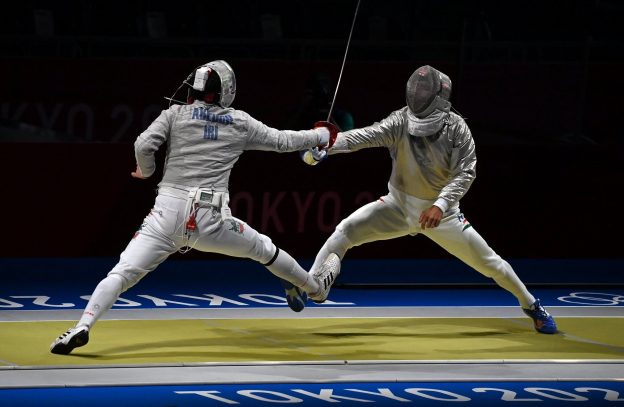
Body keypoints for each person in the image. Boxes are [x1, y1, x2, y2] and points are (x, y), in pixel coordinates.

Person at [50, 60, 337, 355]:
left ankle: (83, 325)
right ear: (227, 91)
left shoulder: (175, 114)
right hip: (210, 219)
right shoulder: (240, 122)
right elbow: (283, 141)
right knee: (265, 250)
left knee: (122, 273)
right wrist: (321, 136)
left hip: (165, 215)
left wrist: (146, 171)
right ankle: (315, 288)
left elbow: (144, 144)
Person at [300, 65, 558, 334]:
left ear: (439, 96)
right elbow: (365, 135)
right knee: (345, 230)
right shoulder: (400, 120)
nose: (418, 94)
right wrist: (328, 144)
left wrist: (440, 205)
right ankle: (310, 286)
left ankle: (532, 306)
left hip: (442, 216)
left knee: (490, 263)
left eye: (424, 90)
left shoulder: (457, 129)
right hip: (397, 206)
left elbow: (466, 172)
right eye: (416, 89)